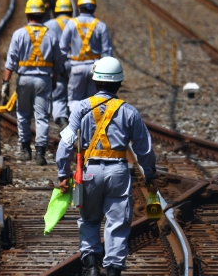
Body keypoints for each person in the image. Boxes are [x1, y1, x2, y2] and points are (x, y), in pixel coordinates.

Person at [56, 57, 158, 276]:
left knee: (89, 219)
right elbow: (144, 149)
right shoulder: (129, 111)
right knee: (118, 223)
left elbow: (66, 142)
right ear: (119, 83)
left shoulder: (81, 108)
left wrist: (63, 173)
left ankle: (92, 265)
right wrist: (150, 175)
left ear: (95, 81)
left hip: (89, 172)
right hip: (119, 172)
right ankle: (112, 269)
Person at [1, 0, 62, 165]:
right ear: (43, 15)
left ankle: (25, 150)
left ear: (27, 14)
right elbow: (58, 62)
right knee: (42, 117)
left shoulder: (19, 34)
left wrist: (6, 82)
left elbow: (11, 61)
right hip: (44, 80)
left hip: (24, 80)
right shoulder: (51, 35)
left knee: (23, 115)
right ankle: (40, 153)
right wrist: (54, 80)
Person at [60, 0, 112, 112]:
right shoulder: (101, 25)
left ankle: (76, 126)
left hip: (77, 67)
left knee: (74, 101)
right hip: (95, 69)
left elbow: (62, 48)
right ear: (94, 7)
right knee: (94, 102)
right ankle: (91, 128)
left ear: (78, 7)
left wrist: (63, 66)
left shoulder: (71, 24)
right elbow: (107, 51)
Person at [44, 0, 73, 131]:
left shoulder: (49, 25)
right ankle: (77, 122)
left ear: (55, 12)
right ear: (71, 11)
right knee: (76, 96)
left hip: (58, 66)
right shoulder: (78, 23)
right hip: (76, 65)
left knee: (58, 96)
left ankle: (62, 120)